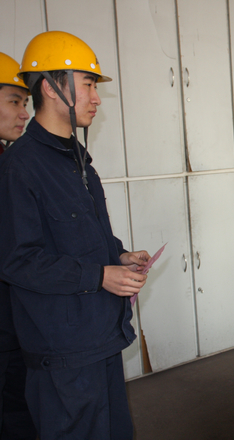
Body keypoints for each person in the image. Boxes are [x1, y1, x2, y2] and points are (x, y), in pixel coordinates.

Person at [0, 31, 151, 440]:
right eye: (88, 85)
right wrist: (100, 276)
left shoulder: (76, 161)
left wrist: (119, 256)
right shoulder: (19, 168)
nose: (96, 98)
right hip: (62, 353)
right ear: (51, 88)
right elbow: (17, 261)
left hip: (100, 337)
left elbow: (84, 235)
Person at [0, 52, 36, 440]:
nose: (24, 113)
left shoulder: (10, 161)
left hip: (12, 324)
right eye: (14, 101)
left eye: (25, 102)